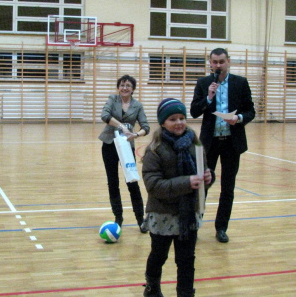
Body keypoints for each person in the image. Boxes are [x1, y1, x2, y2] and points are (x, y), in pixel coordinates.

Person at [141, 98, 212, 297]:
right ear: (163, 122)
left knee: (186, 259)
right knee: (158, 256)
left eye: (182, 118)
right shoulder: (154, 150)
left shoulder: (195, 144)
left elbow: (202, 175)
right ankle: (152, 288)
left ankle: (186, 293)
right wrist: (187, 182)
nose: (179, 122)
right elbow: (154, 186)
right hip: (163, 214)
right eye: (173, 119)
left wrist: (208, 177)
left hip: (188, 214)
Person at [190, 47, 255, 244]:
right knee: (203, 185)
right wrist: (208, 97)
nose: (218, 65)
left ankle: (221, 227)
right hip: (210, 142)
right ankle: (195, 224)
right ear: (210, 63)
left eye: (222, 61)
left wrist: (239, 117)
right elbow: (193, 111)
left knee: (228, 187)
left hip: (231, 143)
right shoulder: (203, 83)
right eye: (215, 62)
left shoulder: (240, 83)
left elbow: (251, 110)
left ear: (228, 62)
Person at [99, 74, 151, 233]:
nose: (124, 88)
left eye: (128, 85)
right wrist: (122, 126)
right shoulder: (112, 99)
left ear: (133, 89)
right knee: (112, 182)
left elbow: (146, 127)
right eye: (122, 85)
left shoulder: (138, 105)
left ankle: (140, 219)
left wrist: (135, 135)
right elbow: (105, 116)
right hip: (109, 144)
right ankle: (118, 218)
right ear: (118, 87)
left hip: (127, 146)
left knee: (132, 182)